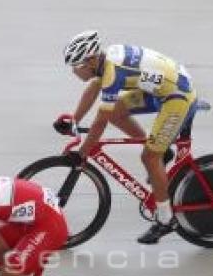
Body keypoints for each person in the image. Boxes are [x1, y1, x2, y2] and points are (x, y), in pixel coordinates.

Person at [56, 30, 198, 244]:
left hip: (177, 97)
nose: (74, 72)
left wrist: (83, 152)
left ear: (92, 60)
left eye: (77, 66)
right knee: (117, 113)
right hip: (161, 89)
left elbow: (100, 121)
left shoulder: (113, 72)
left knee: (149, 157)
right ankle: (163, 151)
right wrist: (74, 120)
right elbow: (94, 88)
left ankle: (166, 220)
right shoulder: (104, 62)